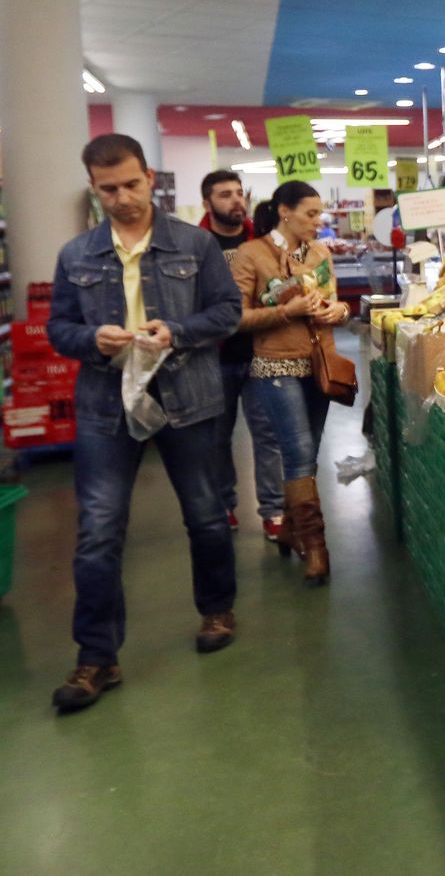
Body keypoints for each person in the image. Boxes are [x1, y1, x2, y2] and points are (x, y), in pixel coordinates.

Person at [46, 133, 242, 711]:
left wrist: (176, 333)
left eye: (132, 183)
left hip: (188, 392)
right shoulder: (75, 254)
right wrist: (90, 339)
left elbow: (227, 310)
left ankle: (217, 608)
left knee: (207, 514)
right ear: (94, 188)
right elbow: (59, 328)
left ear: (150, 177)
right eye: (109, 189)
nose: (123, 197)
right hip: (107, 400)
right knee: (99, 529)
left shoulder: (195, 244)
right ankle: (96, 658)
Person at [232, 182, 351, 587]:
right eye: (311, 214)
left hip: (319, 363)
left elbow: (334, 301)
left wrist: (339, 309)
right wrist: (287, 312)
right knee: (298, 451)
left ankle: (287, 529)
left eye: (321, 214)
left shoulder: (321, 254)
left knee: (309, 452)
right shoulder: (252, 254)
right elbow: (235, 317)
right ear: (285, 212)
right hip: (275, 366)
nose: (319, 222)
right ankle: (315, 547)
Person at [200, 170, 284, 542]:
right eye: (224, 195)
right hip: (211, 356)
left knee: (267, 434)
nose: (236, 201)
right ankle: (223, 505)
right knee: (216, 437)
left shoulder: (263, 242)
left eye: (239, 193)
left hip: (260, 351)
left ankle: (274, 510)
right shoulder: (194, 244)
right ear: (207, 203)